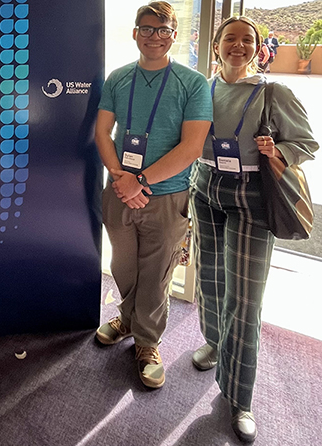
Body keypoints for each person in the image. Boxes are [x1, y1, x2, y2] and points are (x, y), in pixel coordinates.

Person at [189, 16, 318, 442]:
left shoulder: (272, 92)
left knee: (244, 297)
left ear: (258, 48)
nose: (238, 46)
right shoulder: (200, 88)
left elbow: (306, 143)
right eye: (230, 39)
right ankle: (213, 342)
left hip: (251, 197)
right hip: (205, 186)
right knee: (208, 277)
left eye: (247, 40)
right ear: (216, 46)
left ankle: (239, 396)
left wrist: (277, 148)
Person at [93, 1, 211, 389]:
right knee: (125, 268)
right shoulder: (118, 78)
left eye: (163, 30)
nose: (155, 36)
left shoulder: (192, 83)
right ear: (135, 33)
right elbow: (102, 133)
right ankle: (128, 318)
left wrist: (139, 181)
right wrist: (119, 177)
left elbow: (192, 147)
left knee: (156, 273)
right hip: (119, 191)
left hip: (166, 197)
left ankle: (146, 341)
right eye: (147, 29)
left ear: (174, 35)